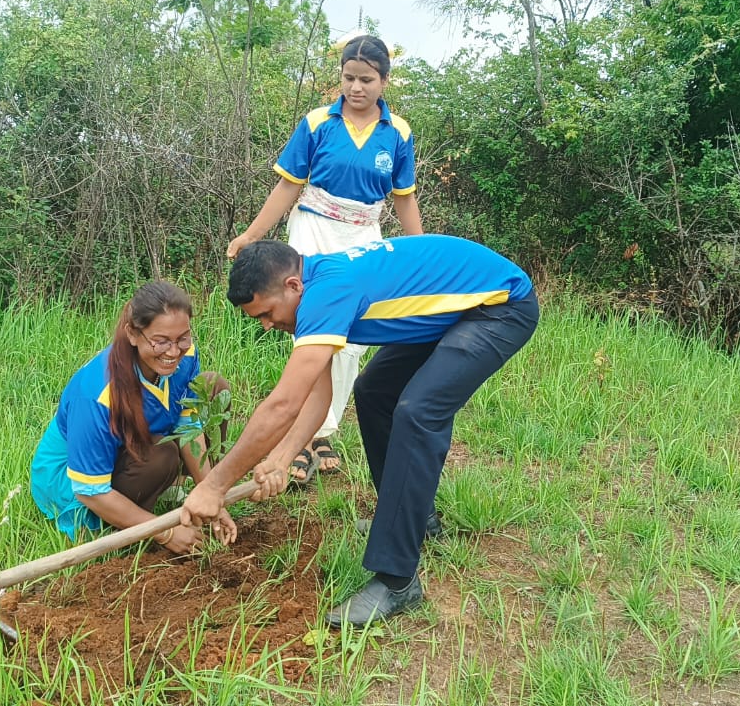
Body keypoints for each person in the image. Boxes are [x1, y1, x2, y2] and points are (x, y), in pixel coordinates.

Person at [181, 235, 538, 627]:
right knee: (374, 392)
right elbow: (318, 395)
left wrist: (214, 486)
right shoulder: (311, 289)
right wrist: (281, 458)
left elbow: (282, 405)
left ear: (292, 285)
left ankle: (398, 580)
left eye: (266, 313)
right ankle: (412, 521)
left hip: (499, 307)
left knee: (417, 412)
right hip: (456, 308)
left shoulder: (326, 294)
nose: (266, 326)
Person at [226, 34, 423, 484]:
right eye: (349, 78)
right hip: (313, 229)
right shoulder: (318, 123)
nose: (356, 87)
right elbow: (288, 186)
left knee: (350, 340)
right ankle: (301, 435)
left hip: (363, 235)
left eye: (366, 79)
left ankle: (324, 431)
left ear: (384, 81)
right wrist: (252, 234)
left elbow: (404, 198)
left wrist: (418, 253)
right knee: (313, 329)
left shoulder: (398, 133)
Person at [29, 281, 238, 554]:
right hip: (74, 484)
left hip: (135, 446)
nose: (173, 352)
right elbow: (90, 491)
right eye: (160, 341)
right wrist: (165, 532)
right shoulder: (96, 395)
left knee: (213, 387)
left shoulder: (184, 356)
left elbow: (188, 426)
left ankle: (168, 490)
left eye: (182, 338)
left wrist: (211, 493)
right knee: (161, 456)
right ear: (133, 334)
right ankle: (123, 524)